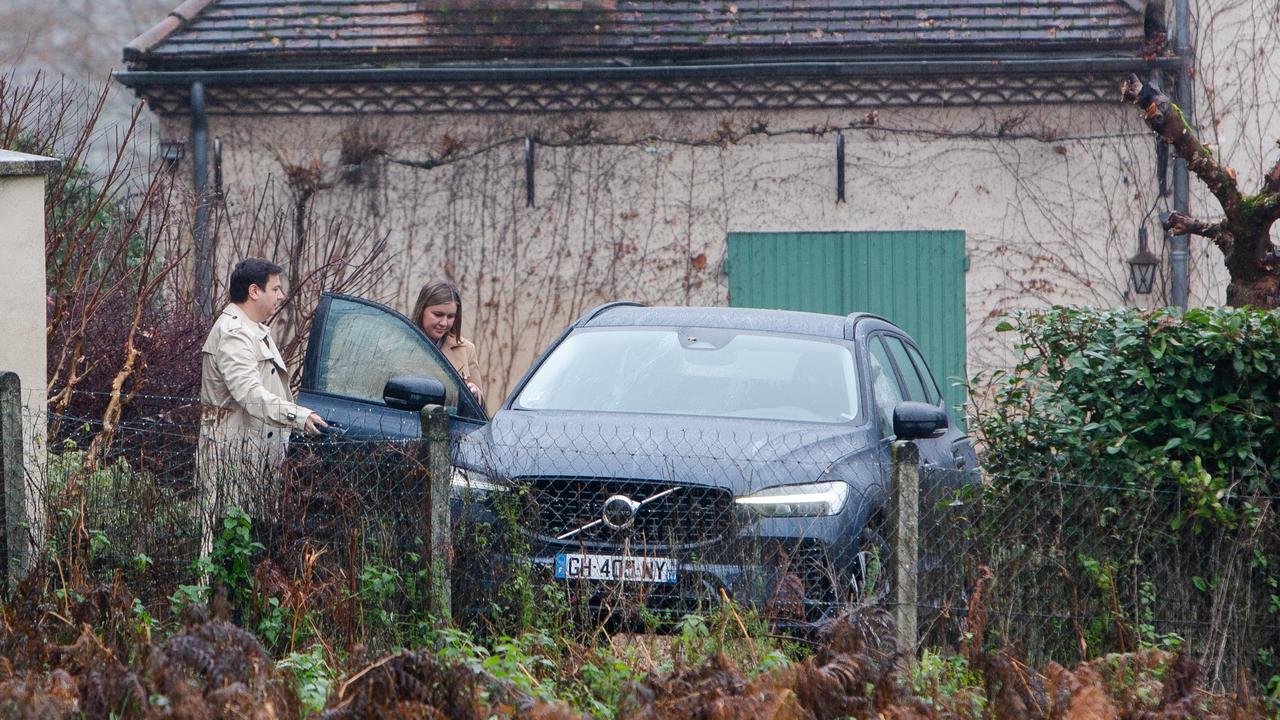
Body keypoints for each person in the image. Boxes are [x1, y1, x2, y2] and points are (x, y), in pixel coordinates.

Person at [196, 258, 327, 554]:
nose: (281, 296)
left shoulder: (252, 329)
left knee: (246, 554)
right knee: (228, 554)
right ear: (254, 291)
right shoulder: (234, 333)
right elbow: (250, 395)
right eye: (276, 289)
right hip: (232, 460)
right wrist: (298, 416)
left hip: (251, 459)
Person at [411, 280, 483, 400]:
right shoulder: (398, 342)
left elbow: (481, 409)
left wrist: (475, 394)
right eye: (438, 314)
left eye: (450, 317)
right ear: (421, 310)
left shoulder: (467, 350)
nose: (444, 323)